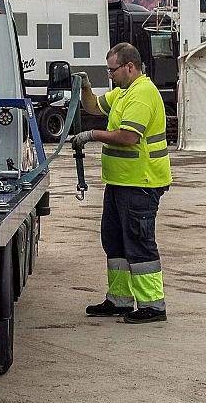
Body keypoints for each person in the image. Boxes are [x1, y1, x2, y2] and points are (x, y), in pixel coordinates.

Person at [70, 42, 172, 323]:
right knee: (114, 242)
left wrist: (93, 135)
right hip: (120, 181)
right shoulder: (123, 93)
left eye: (112, 70)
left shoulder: (141, 94)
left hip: (140, 182)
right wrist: (86, 88)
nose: (110, 75)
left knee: (139, 244)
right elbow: (93, 106)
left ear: (130, 67)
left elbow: (128, 137)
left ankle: (153, 306)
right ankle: (120, 300)